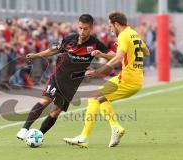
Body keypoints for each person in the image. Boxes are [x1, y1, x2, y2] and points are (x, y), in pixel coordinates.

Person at [16, 14, 115, 140]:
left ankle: (38, 136)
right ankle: (24, 129)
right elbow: (54, 50)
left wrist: (102, 54)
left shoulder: (95, 44)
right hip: (58, 77)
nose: (82, 31)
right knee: (45, 100)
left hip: (72, 84)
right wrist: (36, 55)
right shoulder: (69, 39)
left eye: (85, 29)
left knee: (56, 111)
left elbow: (114, 56)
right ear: (77, 26)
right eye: (80, 28)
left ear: (91, 28)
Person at [63, 11, 150, 148]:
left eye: (110, 26)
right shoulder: (134, 33)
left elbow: (119, 58)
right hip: (134, 78)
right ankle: (115, 127)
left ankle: (84, 137)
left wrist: (99, 71)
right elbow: (146, 52)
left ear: (116, 24)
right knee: (100, 97)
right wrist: (103, 54)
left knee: (94, 98)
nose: (109, 29)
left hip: (127, 79)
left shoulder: (123, 36)